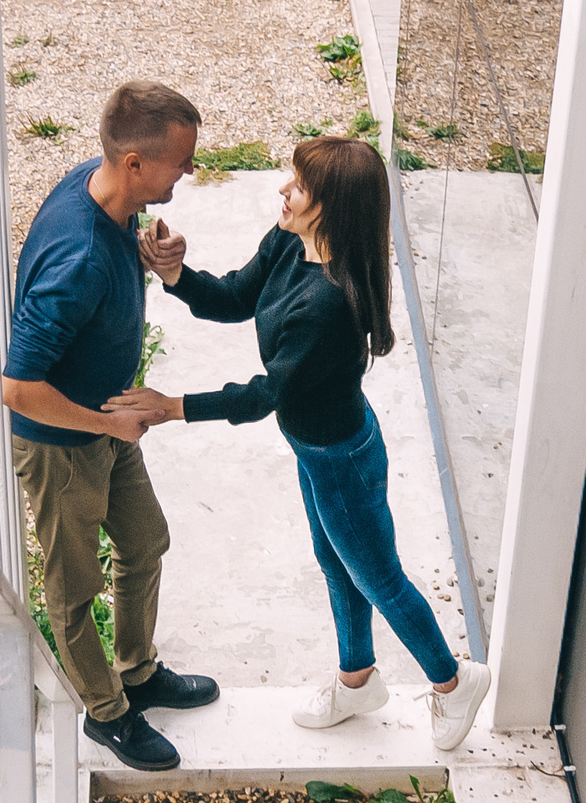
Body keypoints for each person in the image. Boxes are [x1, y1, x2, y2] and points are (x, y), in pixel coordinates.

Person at [109, 136, 494, 749]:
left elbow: (266, 395)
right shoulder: (291, 241)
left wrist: (171, 408)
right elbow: (237, 295)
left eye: (297, 186)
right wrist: (176, 274)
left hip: (341, 459)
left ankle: (453, 683)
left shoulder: (328, 305)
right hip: (318, 449)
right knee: (337, 561)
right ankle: (358, 678)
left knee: (379, 577)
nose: (281, 191)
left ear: (331, 207)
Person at [4, 82, 220, 772]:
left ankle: (138, 669)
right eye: (179, 162)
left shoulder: (105, 196)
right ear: (133, 163)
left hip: (107, 418)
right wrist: (104, 424)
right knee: (71, 593)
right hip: (64, 441)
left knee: (145, 541)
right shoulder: (76, 261)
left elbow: (112, 265)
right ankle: (107, 712)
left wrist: (155, 262)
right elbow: (17, 388)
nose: (187, 171)